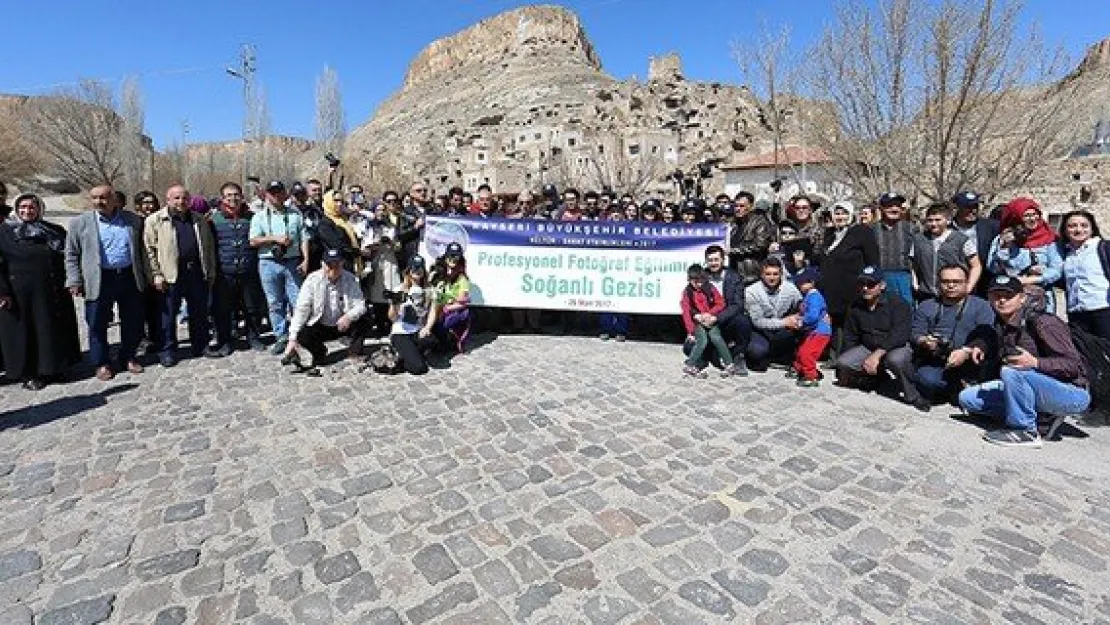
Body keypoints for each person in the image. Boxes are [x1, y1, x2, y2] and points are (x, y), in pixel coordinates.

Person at [958, 275, 1090, 447]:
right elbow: (991, 337)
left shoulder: (1043, 322)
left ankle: (1025, 430)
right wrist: (980, 345)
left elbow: (1074, 365)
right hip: (1030, 386)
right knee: (968, 399)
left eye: (1008, 295)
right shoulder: (1001, 322)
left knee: (1012, 371)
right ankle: (1042, 417)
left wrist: (1035, 363)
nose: (1002, 300)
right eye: (996, 295)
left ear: (1021, 298)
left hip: (1071, 392)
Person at [66, 185, 148, 380]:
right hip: (99, 278)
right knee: (97, 323)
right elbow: (71, 253)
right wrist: (74, 279)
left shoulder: (132, 220)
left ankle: (128, 356)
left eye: (103, 198)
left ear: (114, 199)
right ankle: (101, 362)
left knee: (132, 320)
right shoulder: (80, 223)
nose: (98, 202)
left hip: (128, 276)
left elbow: (142, 250)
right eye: (94, 198)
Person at [0, 194, 80, 389]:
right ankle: (30, 373)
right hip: (20, 293)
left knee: (52, 329)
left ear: (39, 209)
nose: (27, 211)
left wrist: (73, 280)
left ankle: (55, 368)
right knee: (28, 332)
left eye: (32, 207)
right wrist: (2, 292)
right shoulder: (4, 232)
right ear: (17, 209)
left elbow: (69, 256)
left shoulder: (54, 230)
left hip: (52, 289)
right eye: (23, 207)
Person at [144, 185, 219, 366]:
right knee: (167, 315)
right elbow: (149, 250)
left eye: (184, 198)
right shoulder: (155, 220)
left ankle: (200, 345)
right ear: (168, 200)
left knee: (199, 312)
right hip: (170, 273)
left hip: (195, 272)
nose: (181, 202)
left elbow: (208, 248)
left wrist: (210, 271)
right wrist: (156, 274)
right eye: (176, 198)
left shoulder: (199, 219)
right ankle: (167, 350)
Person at [836, 266, 927, 411]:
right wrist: (842, 369)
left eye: (871, 284)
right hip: (868, 347)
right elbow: (850, 335)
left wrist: (877, 354)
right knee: (843, 362)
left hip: (895, 347)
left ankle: (914, 395)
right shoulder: (855, 306)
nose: (865, 288)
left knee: (896, 360)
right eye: (862, 284)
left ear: (882, 286)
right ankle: (876, 376)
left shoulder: (898, 304)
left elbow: (900, 334)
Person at [910, 264, 996, 403]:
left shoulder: (982, 305)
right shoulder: (926, 305)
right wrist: (924, 341)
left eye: (956, 282)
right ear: (938, 283)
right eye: (945, 282)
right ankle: (955, 390)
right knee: (927, 379)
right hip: (938, 361)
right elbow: (915, 333)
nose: (950, 286)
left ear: (967, 283)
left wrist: (967, 351)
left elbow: (987, 334)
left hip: (971, 360)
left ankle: (964, 389)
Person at [284, 249, 371, 373]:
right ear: (323, 265)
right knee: (302, 334)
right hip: (321, 323)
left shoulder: (350, 279)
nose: (333, 269)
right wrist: (292, 339)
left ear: (342, 264)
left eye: (337, 265)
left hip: (343, 324)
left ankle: (354, 351)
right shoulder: (312, 280)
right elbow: (301, 310)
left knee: (365, 318)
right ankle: (319, 353)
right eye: (330, 265)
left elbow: (361, 304)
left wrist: (349, 317)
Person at [250, 181, 309, 355]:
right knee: (274, 303)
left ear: (285, 194)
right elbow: (253, 241)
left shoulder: (295, 214)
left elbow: (304, 238)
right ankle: (281, 336)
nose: (276, 195)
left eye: (279, 192)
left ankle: (299, 335)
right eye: (272, 192)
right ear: (267, 195)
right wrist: (274, 239)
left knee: (297, 301)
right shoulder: (259, 217)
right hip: (268, 262)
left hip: (292, 261)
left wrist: (305, 259)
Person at [210, 182, 266, 354]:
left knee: (252, 306)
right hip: (224, 271)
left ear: (242, 197)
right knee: (223, 309)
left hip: (248, 269)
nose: (233, 198)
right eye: (228, 195)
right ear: (222, 198)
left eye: (236, 195)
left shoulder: (252, 217)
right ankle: (225, 340)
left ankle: (254, 337)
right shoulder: (213, 220)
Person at [819, 201, 880, 347]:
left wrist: (871, 281)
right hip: (832, 288)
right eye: (837, 213)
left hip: (853, 287)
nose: (840, 217)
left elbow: (873, 259)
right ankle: (834, 353)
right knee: (835, 321)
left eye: (844, 213)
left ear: (851, 215)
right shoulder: (829, 235)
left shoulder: (861, 231)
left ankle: (848, 353)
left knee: (850, 322)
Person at [987, 197, 1063, 314]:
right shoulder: (1001, 239)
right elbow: (992, 268)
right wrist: (1005, 247)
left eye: (1035, 214)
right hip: (1009, 295)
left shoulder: (1049, 239)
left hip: (1039, 296)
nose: (1032, 219)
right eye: (1027, 216)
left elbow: (1057, 270)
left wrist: (1030, 279)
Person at [688, 244, 751, 374]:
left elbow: (737, 304)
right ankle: (705, 357)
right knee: (688, 347)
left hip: (727, 319)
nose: (713, 263)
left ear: (723, 260)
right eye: (710, 260)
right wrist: (698, 316)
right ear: (706, 261)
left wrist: (717, 318)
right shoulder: (700, 277)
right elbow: (690, 302)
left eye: (716, 260)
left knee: (743, 321)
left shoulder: (734, 277)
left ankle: (738, 356)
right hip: (706, 320)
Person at [910, 203, 982, 300]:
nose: (934, 224)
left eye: (938, 220)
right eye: (930, 220)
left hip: (954, 294)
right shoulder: (919, 240)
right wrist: (915, 283)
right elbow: (913, 265)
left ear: (948, 220)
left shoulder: (961, 240)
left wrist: (968, 287)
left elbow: (976, 265)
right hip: (927, 294)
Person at [680, 264, 741, 377]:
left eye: (701, 281)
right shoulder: (687, 293)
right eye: (695, 282)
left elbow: (721, 303)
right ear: (689, 280)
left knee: (716, 337)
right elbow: (686, 313)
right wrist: (690, 332)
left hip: (710, 320)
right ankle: (690, 365)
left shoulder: (710, 288)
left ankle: (729, 364)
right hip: (698, 323)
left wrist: (711, 314)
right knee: (702, 341)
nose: (699, 284)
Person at [1059, 210, 1110, 340]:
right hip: (1076, 313)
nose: (1078, 229)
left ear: (1092, 229)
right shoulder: (1066, 254)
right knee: (1084, 354)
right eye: (1072, 226)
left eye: (1084, 225)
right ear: (1065, 230)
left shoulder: (1103, 248)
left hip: (1102, 310)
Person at [745, 258, 803, 371]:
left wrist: (820, 314)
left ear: (781, 274)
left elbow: (802, 304)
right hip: (760, 331)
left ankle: (780, 355)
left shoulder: (790, 288)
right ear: (762, 275)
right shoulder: (751, 291)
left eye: (775, 274)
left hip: (782, 330)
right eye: (768, 274)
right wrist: (785, 322)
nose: (772, 278)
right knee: (757, 352)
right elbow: (758, 322)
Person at [389, 255, 438, 375]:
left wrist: (427, 328)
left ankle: (408, 353)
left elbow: (433, 311)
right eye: (414, 268)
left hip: (417, 330)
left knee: (432, 340)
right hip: (401, 332)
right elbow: (392, 318)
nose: (417, 271)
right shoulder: (399, 289)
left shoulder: (429, 290)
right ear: (408, 271)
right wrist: (395, 304)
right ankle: (402, 356)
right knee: (419, 368)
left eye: (420, 268)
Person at [951, 191, 1000, 296]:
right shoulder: (947, 228)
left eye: (975, 207)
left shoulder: (991, 227)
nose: (972, 211)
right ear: (958, 208)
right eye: (968, 207)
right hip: (954, 281)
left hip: (984, 283)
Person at [789, 268, 832, 387]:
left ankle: (811, 376)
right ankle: (798, 368)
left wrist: (802, 321)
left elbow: (813, 316)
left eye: (802, 282)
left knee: (806, 353)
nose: (799, 285)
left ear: (812, 282)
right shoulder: (808, 296)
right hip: (813, 331)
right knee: (801, 350)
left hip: (820, 332)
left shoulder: (815, 297)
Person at [132, 191, 163, 353]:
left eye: (152, 202)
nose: (149, 206)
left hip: (157, 270)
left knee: (156, 308)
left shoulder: (161, 220)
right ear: (138, 206)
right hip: (138, 271)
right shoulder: (134, 223)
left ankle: (157, 338)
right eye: (145, 203)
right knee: (138, 309)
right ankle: (140, 339)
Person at [871, 192, 915, 304]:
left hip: (904, 276)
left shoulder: (911, 228)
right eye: (889, 206)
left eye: (897, 206)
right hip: (879, 276)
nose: (894, 209)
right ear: (881, 208)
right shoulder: (872, 230)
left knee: (905, 307)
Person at [431, 242, 472, 354]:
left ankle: (449, 342)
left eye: (456, 256)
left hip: (451, 310)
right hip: (436, 305)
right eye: (451, 255)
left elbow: (463, 302)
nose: (453, 258)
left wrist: (447, 308)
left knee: (442, 322)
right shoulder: (438, 272)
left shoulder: (462, 279)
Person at [728, 191, 775, 284]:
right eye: (736, 206)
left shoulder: (760, 222)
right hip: (733, 273)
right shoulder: (733, 224)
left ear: (750, 206)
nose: (738, 209)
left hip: (751, 274)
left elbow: (760, 245)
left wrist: (734, 250)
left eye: (742, 206)